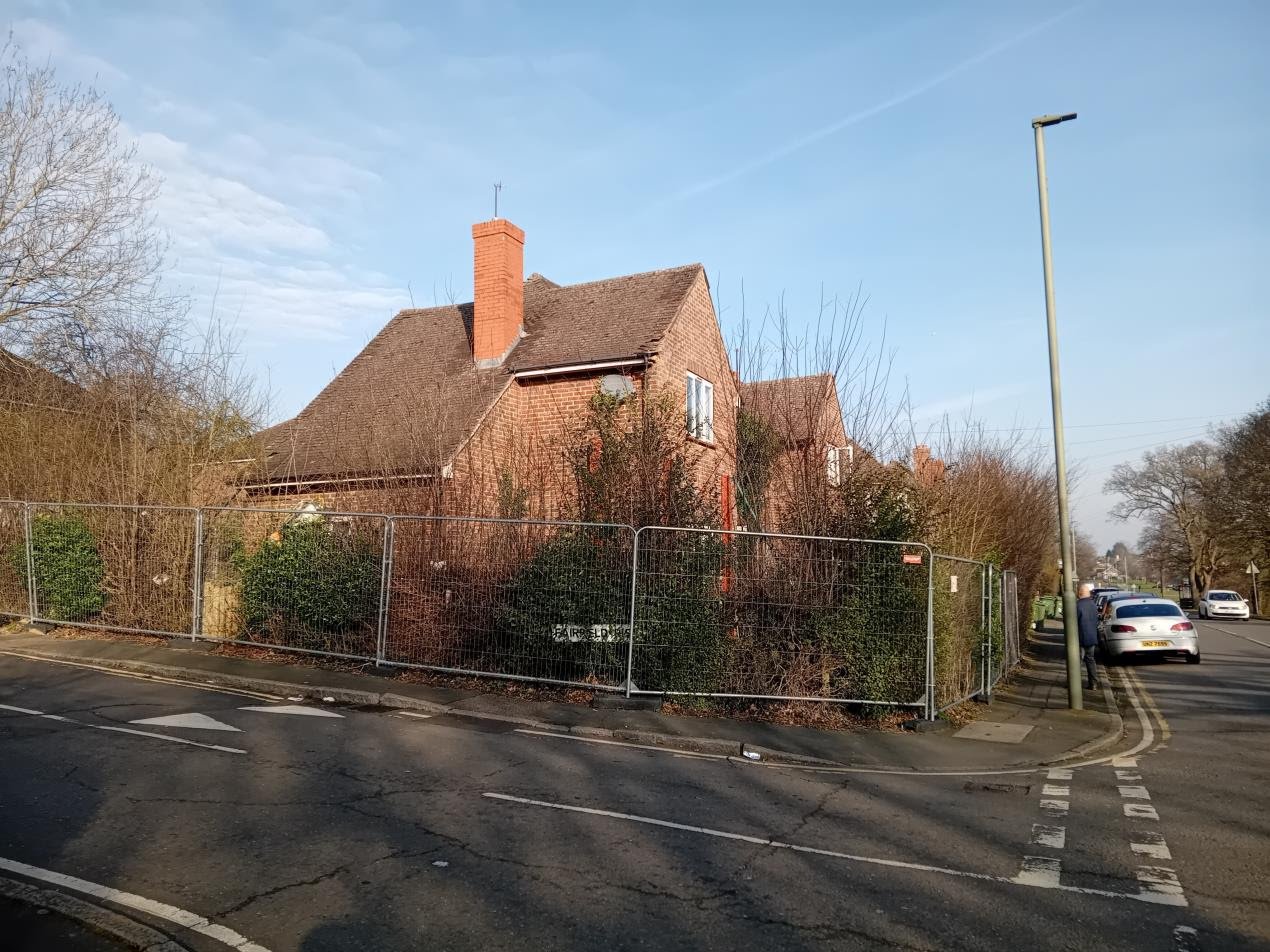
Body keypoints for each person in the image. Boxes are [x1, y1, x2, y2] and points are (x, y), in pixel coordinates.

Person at [1076, 583, 1100, 690]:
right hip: (1092, 637)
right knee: (1090, 660)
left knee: (1077, 661)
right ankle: (1093, 684)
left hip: (1080, 637)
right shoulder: (1093, 605)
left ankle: (1075, 684)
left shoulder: (1077, 605)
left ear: (1079, 593)